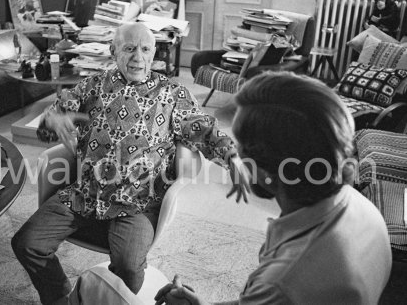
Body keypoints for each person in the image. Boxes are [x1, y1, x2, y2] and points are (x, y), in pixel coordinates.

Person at [11, 22, 250, 305]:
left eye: (145, 49)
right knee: (27, 243)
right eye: (129, 48)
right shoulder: (93, 85)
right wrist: (53, 118)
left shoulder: (171, 93)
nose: (138, 57)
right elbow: (50, 123)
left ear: (153, 55)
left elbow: (204, 128)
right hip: (84, 193)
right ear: (114, 51)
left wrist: (232, 158)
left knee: (128, 269)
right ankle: (60, 296)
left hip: (138, 202)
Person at [155, 72, 392, 305]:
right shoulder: (363, 209)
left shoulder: (283, 280)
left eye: (242, 152)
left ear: (268, 174)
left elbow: (279, 294)